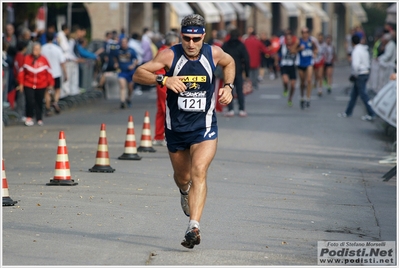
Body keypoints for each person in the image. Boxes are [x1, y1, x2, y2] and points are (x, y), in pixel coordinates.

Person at [133, 14, 235, 249]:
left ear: (203, 37)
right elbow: (139, 73)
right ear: (181, 36)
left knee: (199, 171)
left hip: (204, 127)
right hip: (176, 129)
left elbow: (230, 63)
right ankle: (183, 190)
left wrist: (228, 86)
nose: (191, 44)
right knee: (184, 177)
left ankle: (194, 226)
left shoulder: (214, 53)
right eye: (187, 38)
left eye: (196, 39)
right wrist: (163, 80)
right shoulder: (170, 55)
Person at [337, 35, 375, 121]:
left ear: (352, 42)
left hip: (360, 74)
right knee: (353, 95)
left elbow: (355, 65)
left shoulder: (356, 51)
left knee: (363, 95)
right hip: (365, 72)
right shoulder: (364, 49)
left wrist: (354, 74)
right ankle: (348, 112)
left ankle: (371, 112)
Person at [17, 42, 54, 126]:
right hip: (28, 84)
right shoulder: (27, 58)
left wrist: (50, 84)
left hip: (41, 84)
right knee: (29, 100)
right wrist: (21, 83)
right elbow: (21, 72)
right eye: (34, 49)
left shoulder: (44, 60)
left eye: (37, 49)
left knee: (39, 101)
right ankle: (29, 117)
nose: (35, 51)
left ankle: (39, 118)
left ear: (40, 50)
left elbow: (49, 72)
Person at [153, 32, 180, 146]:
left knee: (161, 110)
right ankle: (169, 135)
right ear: (173, 43)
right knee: (167, 110)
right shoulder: (166, 53)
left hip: (162, 84)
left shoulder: (162, 51)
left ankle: (159, 136)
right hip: (165, 84)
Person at [222, 28, 250, 117]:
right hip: (238, 70)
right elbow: (246, 59)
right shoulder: (241, 45)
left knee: (228, 89)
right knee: (239, 90)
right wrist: (246, 72)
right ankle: (241, 109)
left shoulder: (226, 45)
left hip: (227, 71)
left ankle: (231, 109)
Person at [41, 31, 67, 116]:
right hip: (56, 72)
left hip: (46, 73)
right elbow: (62, 62)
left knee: (47, 91)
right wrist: (65, 73)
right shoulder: (57, 49)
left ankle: (48, 108)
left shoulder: (42, 48)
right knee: (57, 89)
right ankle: (55, 101)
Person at [114, 37, 138, 109]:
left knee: (130, 87)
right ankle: (122, 101)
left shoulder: (131, 50)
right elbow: (115, 57)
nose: (123, 44)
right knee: (122, 86)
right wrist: (116, 63)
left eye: (124, 42)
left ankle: (128, 98)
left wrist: (133, 65)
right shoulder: (118, 50)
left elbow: (136, 59)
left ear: (127, 43)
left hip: (130, 72)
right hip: (122, 71)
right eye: (122, 42)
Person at [275, 32, 298, 107]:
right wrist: (276, 62)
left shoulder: (295, 46)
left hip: (292, 66)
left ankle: (290, 98)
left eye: (290, 39)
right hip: (284, 65)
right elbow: (276, 53)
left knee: (293, 85)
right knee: (285, 81)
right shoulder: (282, 46)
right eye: (287, 39)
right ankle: (285, 88)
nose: (288, 41)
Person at [297, 27, 317, 109]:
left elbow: (316, 49)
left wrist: (315, 53)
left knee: (309, 80)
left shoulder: (311, 41)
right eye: (303, 33)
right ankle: (302, 97)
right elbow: (293, 50)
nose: (305, 34)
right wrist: (299, 49)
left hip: (309, 63)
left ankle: (308, 98)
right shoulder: (299, 41)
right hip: (301, 63)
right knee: (302, 82)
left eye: (306, 32)